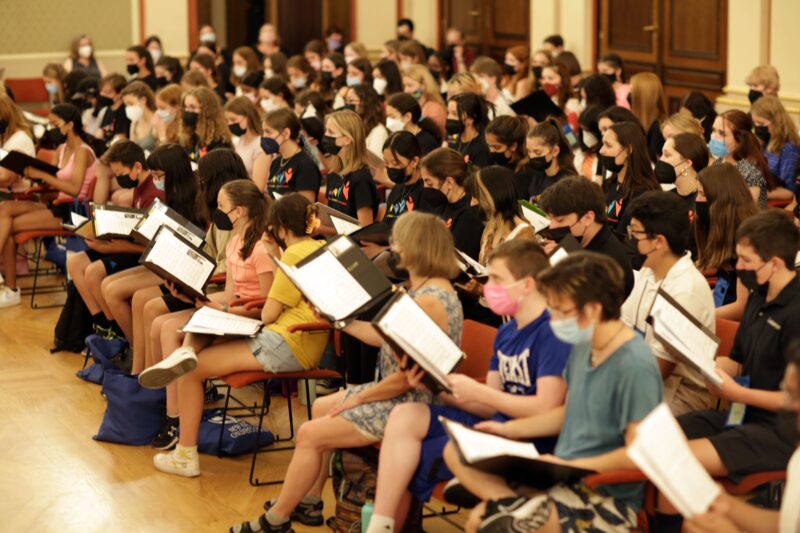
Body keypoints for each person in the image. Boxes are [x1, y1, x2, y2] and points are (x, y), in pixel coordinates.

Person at [229, 210, 463, 532]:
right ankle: (310, 497)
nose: (394, 250)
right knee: (322, 406)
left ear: (417, 247)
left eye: (398, 244)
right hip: (401, 396)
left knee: (311, 432)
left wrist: (359, 397)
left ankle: (277, 518)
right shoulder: (428, 290)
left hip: (409, 406)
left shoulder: (428, 300)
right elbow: (381, 337)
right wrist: (336, 321)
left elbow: (407, 377)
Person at [445, 251, 663, 533]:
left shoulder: (634, 364)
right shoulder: (586, 347)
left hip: (604, 494)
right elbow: (566, 414)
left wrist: (569, 464)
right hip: (565, 477)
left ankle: (514, 504)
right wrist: (507, 431)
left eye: (561, 311)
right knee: (473, 492)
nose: (554, 318)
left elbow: (638, 454)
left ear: (592, 309)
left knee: (491, 524)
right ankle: (514, 502)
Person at [367, 240, 570, 532]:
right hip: (495, 425)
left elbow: (545, 407)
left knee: (411, 456)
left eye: (498, 279)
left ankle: (508, 502)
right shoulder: (508, 331)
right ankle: (381, 526)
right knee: (405, 414)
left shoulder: (552, 331)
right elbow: (488, 404)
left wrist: (482, 393)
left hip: (529, 439)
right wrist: (436, 386)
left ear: (526, 285)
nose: (489, 288)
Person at [655, 209, 800, 533]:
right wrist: (712, 367)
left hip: (779, 431)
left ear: (775, 263)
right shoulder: (759, 297)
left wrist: (737, 392)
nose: (739, 268)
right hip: (739, 411)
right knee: (660, 438)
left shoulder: (795, 312)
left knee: (679, 459)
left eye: (747, 261)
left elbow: (795, 402)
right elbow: (736, 360)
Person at [137, 179, 275, 455]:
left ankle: (175, 410)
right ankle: (173, 390)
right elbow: (230, 292)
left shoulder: (263, 248)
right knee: (169, 322)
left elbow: (266, 305)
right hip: (232, 311)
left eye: (222, 206)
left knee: (174, 328)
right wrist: (198, 299)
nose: (218, 211)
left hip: (251, 319)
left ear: (240, 211)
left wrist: (222, 311)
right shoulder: (236, 241)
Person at [131, 149, 247, 378]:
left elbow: (228, 265)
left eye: (204, 180)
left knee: (154, 310)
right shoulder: (219, 210)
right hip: (203, 280)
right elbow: (208, 249)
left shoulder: (238, 215)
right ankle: (143, 373)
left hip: (214, 286)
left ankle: (154, 383)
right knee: (147, 304)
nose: (200, 185)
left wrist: (194, 269)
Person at [683, 342, 799, 533]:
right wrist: (729, 506)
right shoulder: (798, 457)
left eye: (794, 398)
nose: (787, 407)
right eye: (788, 394)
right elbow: (787, 523)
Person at [622, 191, 716, 415]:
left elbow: (657, 371)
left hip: (677, 397)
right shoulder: (648, 270)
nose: (630, 238)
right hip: (638, 378)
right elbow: (621, 330)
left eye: (635, 233)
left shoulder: (686, 290)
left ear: (659, 242)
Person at [104, 144, 200, 355]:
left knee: (137, 298)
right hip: (166, 261)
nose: (155, 180)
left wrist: (129, 245)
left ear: (173, 173)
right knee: (110, 285)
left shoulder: (193, 201)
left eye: (158, 175)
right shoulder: (173, 195)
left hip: (179, 267)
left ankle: (139, 359)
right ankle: (137, 359)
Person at [0, 104, 96, 307]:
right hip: (55, 203)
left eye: (55, 124)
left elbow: (74, 188)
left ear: (69, 125)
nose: (51, 128)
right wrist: (35, 176)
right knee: (5, 210)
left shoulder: (82, 152)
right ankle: (10, 289)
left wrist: (41, 175)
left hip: (73, 211)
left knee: (6, 226)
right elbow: (52, 178)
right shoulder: (61, 149)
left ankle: (11, 289)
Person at [65, 141, 164, 333]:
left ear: (136, 166)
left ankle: (115, 330)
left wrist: (114, 247)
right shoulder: (139, 186)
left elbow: (153, 246)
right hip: (129, 244)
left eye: (119, 174)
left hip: (141, 254)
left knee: (94, 272)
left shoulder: (153, 193)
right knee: (75, 261)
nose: (118, 179)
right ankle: (101, 322)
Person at [539, 176, 635, 297]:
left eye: (560, 220)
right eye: (551, 219)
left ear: (587, 218)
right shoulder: (580, 241)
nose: (552, 226)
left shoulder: (610, 266)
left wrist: (562, 264)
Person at [692, 163, 759, 315]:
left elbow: (742, 306)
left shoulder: (748, 237)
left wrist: (700, 318)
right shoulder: (720, 224)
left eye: (702, 193)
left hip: (738, 320)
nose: (697, 199)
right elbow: (712, 263)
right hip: (721, 301)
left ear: (720, 197)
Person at [598, 121, 660, 238]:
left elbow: (622, 239)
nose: (601, 150)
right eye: (603, 144)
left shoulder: (642, 194)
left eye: (608, 145)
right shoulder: (609, 184)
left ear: (628, 150)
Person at [420, 147, 484, 260]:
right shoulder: (442, 203)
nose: (425, 188)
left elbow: (457, 262)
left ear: (449, 182)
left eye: (429, 183)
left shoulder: (469, 214)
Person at [320, 109, 378, 225]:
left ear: (347, 139)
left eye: (331, 132)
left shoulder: (360, 178)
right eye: (326, 131)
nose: (326, 136)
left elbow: (365, 228)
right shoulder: (333, 173)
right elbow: (332, 220)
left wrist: (320, 230)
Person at [710, 110, 771, 208]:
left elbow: (744, 211)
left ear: (739, 141)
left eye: (722, 133)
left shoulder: (751, 172)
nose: (714, 136)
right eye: (714, 130)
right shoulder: (718, 162)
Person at [261, 108, 321, 203]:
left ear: (286, 133)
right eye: (263, 132)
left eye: (268, 132)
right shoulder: (276, 162)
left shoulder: (305, 165)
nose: (263, 137)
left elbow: (306, 206)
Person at [751, 95, 800, 194]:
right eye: (755, 123)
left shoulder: (789, 148)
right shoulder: (766, 141)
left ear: (776, 122)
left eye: (760, 123)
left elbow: (790, 190)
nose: (757, 127)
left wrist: (755, 194)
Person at [525, 118, 577, 202]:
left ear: (555, 151)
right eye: (529, 151)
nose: (531, 157)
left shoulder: (567, 182)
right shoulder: (538, 174)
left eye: (537, 152)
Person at [657, 132, 710, 214]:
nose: (660, 160)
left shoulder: (703, 202)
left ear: (687, 163)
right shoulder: (665, 200)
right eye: (662, 154)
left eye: (667, 155)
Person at [382, 131, 426, 225]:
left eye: (395, 163)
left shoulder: (425, 192)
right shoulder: (398, 188)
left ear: (414, 161)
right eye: (386, 162)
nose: (390, 167)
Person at [178, 86, 232, 161]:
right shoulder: (192, 136)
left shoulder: (219, 142)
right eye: (185, 107)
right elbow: (193, 156)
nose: (187, 111)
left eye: (192, 107)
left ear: (206, 111)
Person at [224, 96, 268, 186]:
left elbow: (258, 187)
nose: (229, 124)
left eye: (233, 119)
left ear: (248, 117)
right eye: (227, 120)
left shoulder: (262, 145)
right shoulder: (239, 141)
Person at [484, 115, 530, 199]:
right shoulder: (495, 163)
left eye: (497, 147)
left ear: (513, 146)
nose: (491, 151)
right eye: (489, 146)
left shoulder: (525, 171)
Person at [0, 94, 35, 192]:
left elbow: (6, 178)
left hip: (15, 197)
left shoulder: (20, 140)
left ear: (6, 117)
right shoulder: (4, 137)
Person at [629, 72, 667, 163]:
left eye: (631, 92)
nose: (629, 96)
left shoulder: (658, 129)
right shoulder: (639, 122)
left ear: (641, 97)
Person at [446, 92, 490, 167]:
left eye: (454, 114)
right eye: (448, 113)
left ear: (470, 119)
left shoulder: (481, 148)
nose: (448, 118)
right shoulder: (453, 136)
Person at [344, 84, 387, 158]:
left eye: (351, 100)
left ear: (366, 102)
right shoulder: (353, 126)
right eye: (346, 101)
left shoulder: (379, 131)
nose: (348, 105)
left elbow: (376, 162)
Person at [402, 64, 446, 135]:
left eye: (410, 85)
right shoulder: (414, 107)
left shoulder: (434, 110)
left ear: (423, 85)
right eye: (404, 86)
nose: (406, 90)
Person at [540, 62, 580, 132]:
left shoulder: (572, 104)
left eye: (550, 78)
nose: (545, 82)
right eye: (543, 78)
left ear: (563, 80)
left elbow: (571, 137)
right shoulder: (542, 100)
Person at [121, 81, 157, 152]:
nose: (128, 108)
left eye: (131, 104)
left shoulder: (157, 121)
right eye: (126, 105)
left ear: (143, 100)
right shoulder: (134, 123)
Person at [97, 73, 130, 142]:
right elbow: (101, 132)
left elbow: (120, 138)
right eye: (102, 91)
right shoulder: (108, 109)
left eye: (107, 92)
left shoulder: (124, 111)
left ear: (120, 93)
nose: (102, 95)